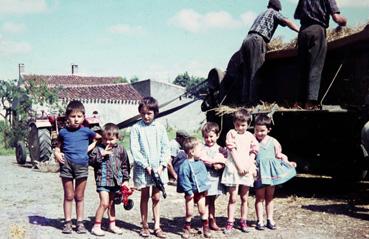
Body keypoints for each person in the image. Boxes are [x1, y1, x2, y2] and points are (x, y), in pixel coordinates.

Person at [54, 100, 101, 234]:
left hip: (82, 166)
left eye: (79, 116)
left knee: (79, 196)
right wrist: (57, 153)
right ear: (67, 117)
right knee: (69, 195)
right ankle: (67, 222)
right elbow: (57, 146)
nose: (76, 119)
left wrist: (89, 148)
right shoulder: (63, 132)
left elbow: (98, 138)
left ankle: (80, 222)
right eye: (73, 116)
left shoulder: (87, 131)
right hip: (66, 166)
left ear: (83, 117)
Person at [240, 0, 299, 105]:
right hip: (256, 40)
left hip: (246, 41)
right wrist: (300, 31)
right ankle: (253, 103)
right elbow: (287, 21)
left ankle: (245, 101)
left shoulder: (261, 13)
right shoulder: (273, 12)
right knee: (256, 71)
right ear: (277, 8)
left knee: (247, 74)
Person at [294, 0, 347, 110]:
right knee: (315, 67)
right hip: (317, 30)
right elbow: (337, 18)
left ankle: (299, 102)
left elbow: (296, 15)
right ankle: (310, 103)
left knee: (302, 68)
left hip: (303, 32)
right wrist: (344, 22)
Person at [130, 96, 170, 238]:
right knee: (144, 195)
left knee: (157, 197)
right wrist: (145, 165)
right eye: (143, 113)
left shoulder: (160, 128)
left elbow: (166, 148)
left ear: (155, 113)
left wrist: (161, 165)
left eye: (149, 113)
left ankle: (157, 226)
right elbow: (135, 149)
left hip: (158, 169)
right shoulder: (136, 128)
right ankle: (145, 225)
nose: (146, 116)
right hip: (143, 169)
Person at [253, 114, 297, 230]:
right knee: (259, 197)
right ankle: (260, 220)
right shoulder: (252, 140)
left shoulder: (273, 141)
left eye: (262, 130)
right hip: (259, 174)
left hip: (271, 174)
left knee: (270, 196)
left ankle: (270, 219)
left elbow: (279, 155)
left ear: (269, 129)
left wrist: (288, 163)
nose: (259, 133)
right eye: (257, 130)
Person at [221, 109, 259, 234]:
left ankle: (243, 221)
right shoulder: (231, 133)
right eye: (238, 124)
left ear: (248, 124)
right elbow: (232, 151)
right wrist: (239, 166)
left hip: (246, 168)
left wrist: (248, 165)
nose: (240, 127)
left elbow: (254, 151)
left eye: (243, 125)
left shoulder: (250, 136)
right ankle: (230, 222)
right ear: (234, 123)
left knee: (244, 197)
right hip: (235, 167)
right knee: (233, 198)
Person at [89, 123, 131, 236]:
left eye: (111, 139)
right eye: (105, 139)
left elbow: (125, 165)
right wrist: (101, 155)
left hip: (115, 181)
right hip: (102, 181)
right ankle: (96, 226)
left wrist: (126, 180)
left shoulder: (121, 149)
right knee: (104, 203)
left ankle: (112, 225)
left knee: (112, 203)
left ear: (117, 138)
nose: (108, 142)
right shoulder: (98, 149)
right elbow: (91, 162)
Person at [177, 136, 211, 239]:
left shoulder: (200, 163)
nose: (201, 152)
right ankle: (187, 228)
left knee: (202, 210)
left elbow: (204, 176)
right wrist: (189, 191)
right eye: (199, 150)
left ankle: (205, 227)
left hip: (200, 192)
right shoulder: (185, 165)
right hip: (190, 193)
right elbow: (183, 179)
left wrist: (205, 189)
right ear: (192, 151)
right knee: (189, 212)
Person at [201, 122, 227, 231]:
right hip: (206, 177)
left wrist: (221, 164)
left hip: (215, 178)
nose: (209, 139)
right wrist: (212, 164)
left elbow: (226, 159)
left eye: (211, 136)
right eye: (206, 137)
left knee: (212, 200)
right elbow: (202, 159)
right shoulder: (202, 148)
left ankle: (212, 219)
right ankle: (205, 222)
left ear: (217, 135)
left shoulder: (220, 149)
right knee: (206, 201)